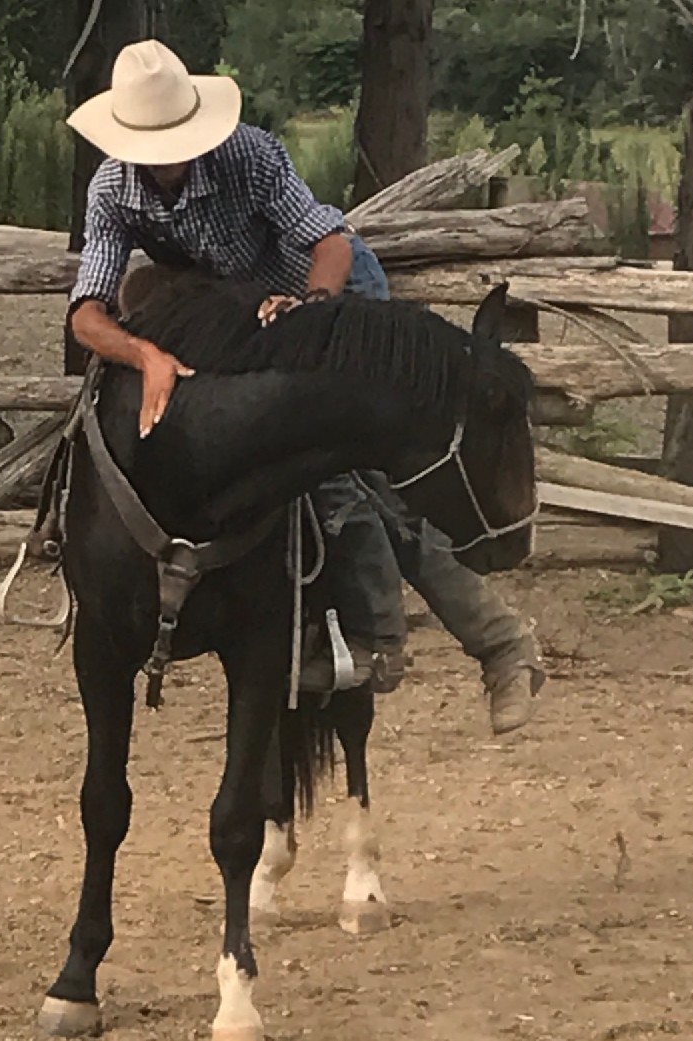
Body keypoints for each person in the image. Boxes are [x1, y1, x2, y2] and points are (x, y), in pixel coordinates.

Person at [63, 38, 544, 733]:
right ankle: (320, 623)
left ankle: (442, 639)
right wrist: (145, 356)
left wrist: (312, 306)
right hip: (237, 317)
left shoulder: (249, 156)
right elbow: (87, 314)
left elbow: (332, 242)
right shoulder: (113, 187)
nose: (165, 155)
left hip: (322, 295)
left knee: (351, 472)